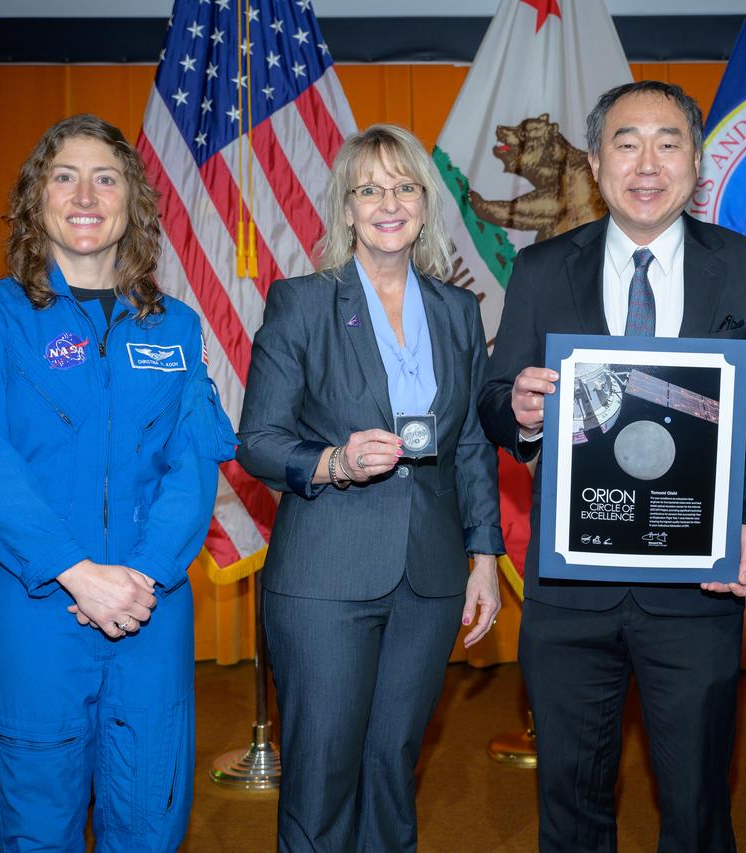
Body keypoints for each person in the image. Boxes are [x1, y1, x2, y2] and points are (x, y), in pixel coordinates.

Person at [480, 81, 746, 852]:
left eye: (669, 142)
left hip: (697, 594)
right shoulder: (541, 269)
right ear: (595, 162)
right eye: (626, 142)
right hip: (569, 597)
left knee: (696, 805)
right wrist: (520, 411)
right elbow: (495, 398)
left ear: (695, 160)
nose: (648, 162)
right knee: (569, 801)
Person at [0, 114, 237, 850]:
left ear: (132, 202)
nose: (85, 194)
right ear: (36, 198)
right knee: (39, 825)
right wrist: (79, 576)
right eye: (64, 175)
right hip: (39, 612)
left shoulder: (176, 328)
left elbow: (193, 462)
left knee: (150, 817)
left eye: (106, 178)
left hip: (150, 609)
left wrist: (139, 575)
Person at [236, 123, 504, 852]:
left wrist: (483, 557)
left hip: (431, 579)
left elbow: (472, 444)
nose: (390, 203)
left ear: (425, 203)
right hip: (326, 573)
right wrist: (334, 462)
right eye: (370, 189)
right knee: (322, 774)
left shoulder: (456, 310)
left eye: (405, 187)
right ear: (346, 209)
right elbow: (257, 441)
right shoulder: (302, 303)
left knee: (392, 767)